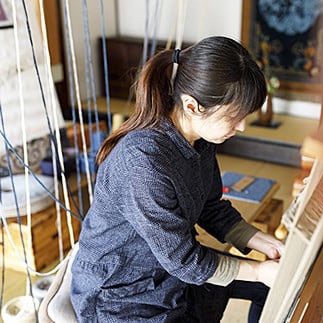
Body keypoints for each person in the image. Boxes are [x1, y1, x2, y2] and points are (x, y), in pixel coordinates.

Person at [70, 36, 285, 323]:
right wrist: (258, 270)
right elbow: (184, 261)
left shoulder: (200, 140)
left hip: (170, 270)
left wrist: (265, 243)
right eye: (234, 116)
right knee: (258, 279)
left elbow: (210, 207)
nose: (242, 126)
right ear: (193, 105)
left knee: (271, 288)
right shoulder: (143, 161)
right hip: (122, 292)